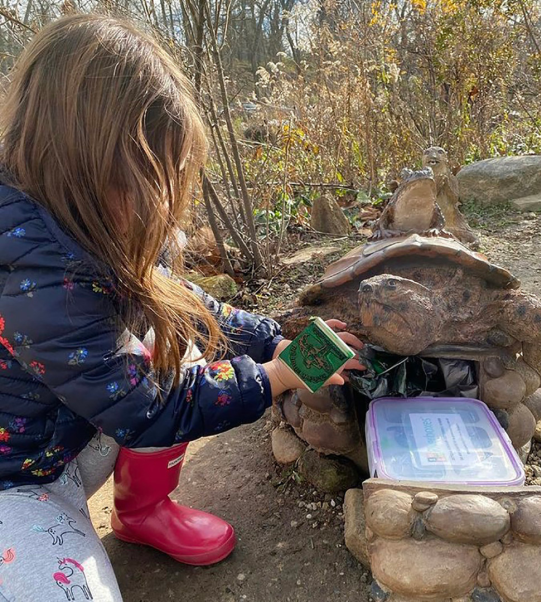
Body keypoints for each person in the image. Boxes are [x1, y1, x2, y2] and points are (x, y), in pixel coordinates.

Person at [0, 15, 363, 602]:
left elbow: (187, 306)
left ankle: (142, 512)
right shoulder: (44, 278)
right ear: (88, 164)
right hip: (14, 486)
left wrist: (271, 341)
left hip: (61, 438)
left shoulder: (86, 223)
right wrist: (277, 375)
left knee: (171, 337)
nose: (169, 200)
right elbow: (148, 409)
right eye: (155, 177)